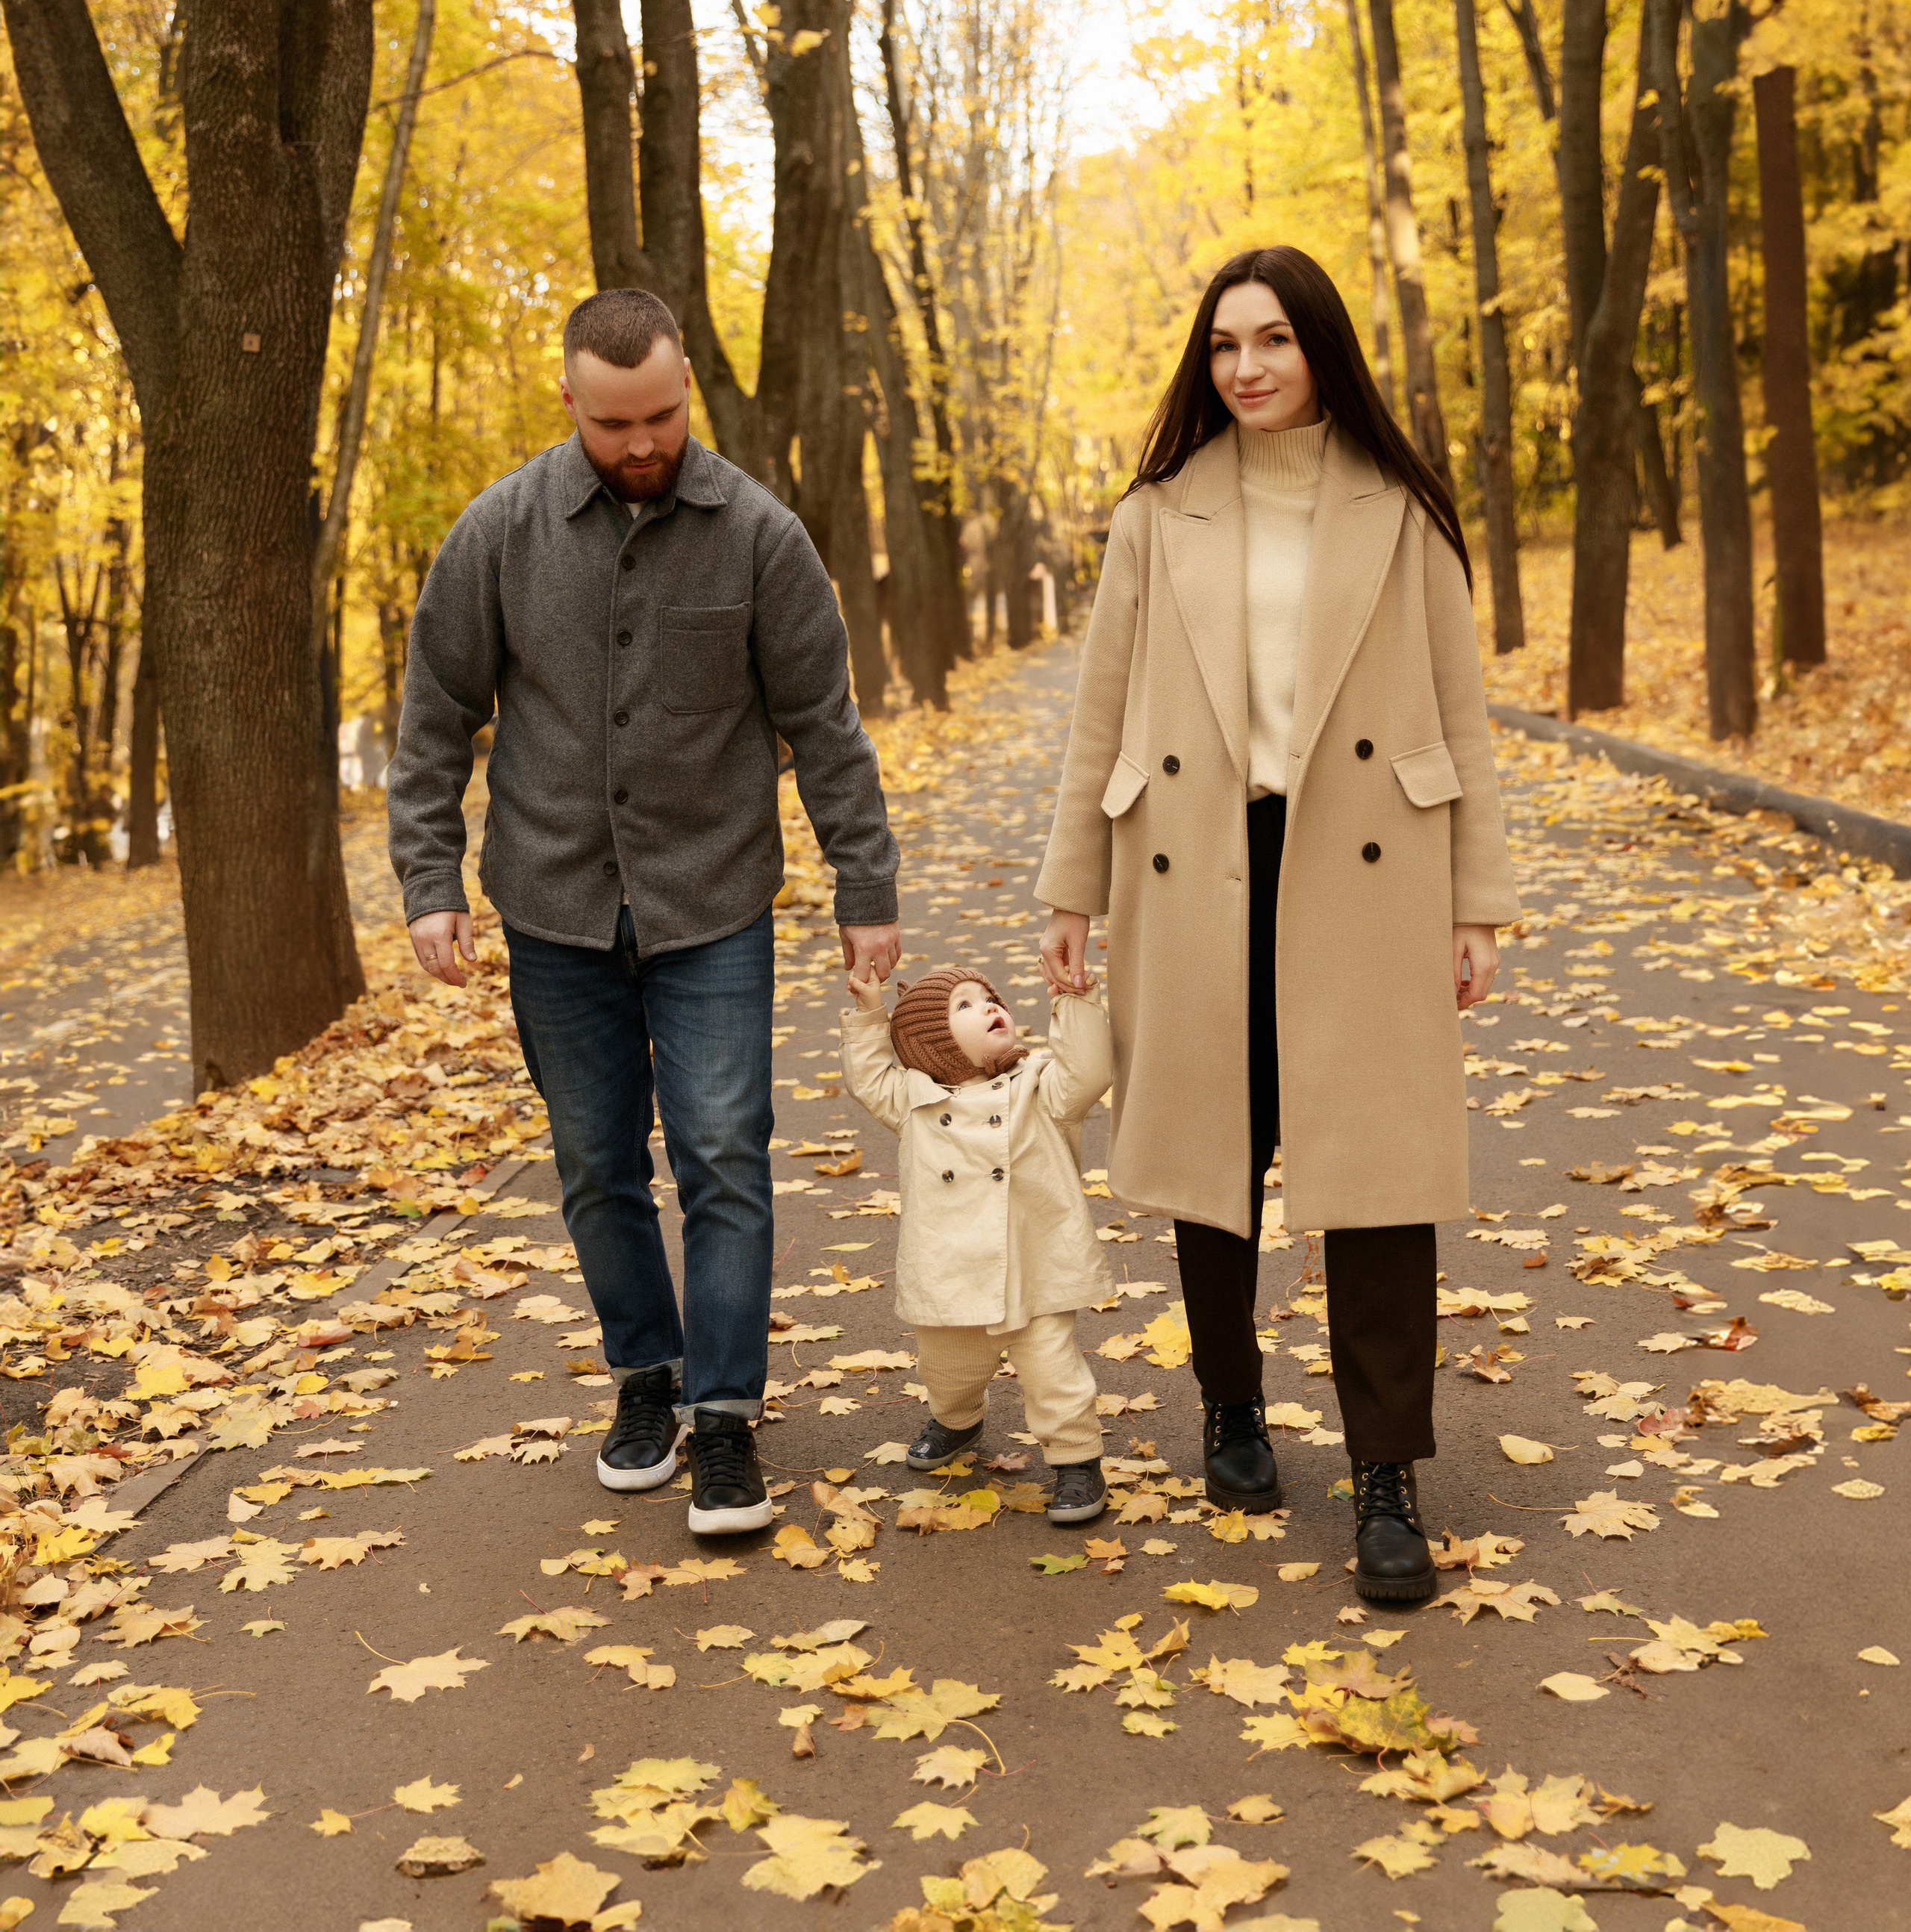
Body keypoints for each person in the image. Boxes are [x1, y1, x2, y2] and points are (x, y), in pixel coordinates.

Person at [1035, 246, 1518, 1604]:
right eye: (1224, 346)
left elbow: (1463, 717)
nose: (1245, 367)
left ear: (1321, 350)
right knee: (1210, 1151)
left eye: (1273, 341)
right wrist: (1072, 891)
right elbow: (1098, 718)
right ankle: (1233, 1409)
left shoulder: (1402, 510)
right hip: (1198, 859)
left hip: (1367, 869)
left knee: (1378, 1173)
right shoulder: (1157, 514)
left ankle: (1384, 1471)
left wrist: (1480, 899)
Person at [387, 288, 901, 1536]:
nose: (641, 441)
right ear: (568, 400)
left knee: (723, 1149)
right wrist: (428, 878)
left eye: (662, 413)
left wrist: (866, 888)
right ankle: (645, 1377)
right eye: (614, 420)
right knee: (594, 1160)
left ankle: (724, 1414)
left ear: (687, 392)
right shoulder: (498, 532)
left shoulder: (762, 537)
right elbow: (436, 715)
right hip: (554, 901)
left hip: (712, 898)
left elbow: (824, 726)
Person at [839, 961, 1113, 1524]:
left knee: (1053, 1370)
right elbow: (868, 1076)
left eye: (990, 998)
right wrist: (871, 1013)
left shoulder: (1039, 1084)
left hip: (1034, 1263)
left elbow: (1088, 1073)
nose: (989, 1006)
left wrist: (1074, 1000)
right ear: (931, 1042)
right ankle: (957, 1420)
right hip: (949, 1266)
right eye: (963, 1005)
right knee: (948, 1367)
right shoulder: (913, 1100)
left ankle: (1077, 1458)